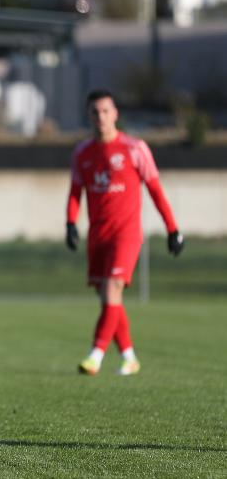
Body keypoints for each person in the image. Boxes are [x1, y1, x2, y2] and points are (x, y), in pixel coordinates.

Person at [67, 89, 183, 376]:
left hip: (126, 233)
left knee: (112, 289)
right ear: (89, 115)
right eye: (95, 112)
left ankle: (95, 356)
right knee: (108, 298)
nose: (101, 117)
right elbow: (75, 192)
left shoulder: (134, 148)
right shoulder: (82, 153)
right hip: (98, 236)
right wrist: (70, 223)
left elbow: (155, 190)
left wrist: (172, 229)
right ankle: (129, 357)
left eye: (106, 111)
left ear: (115, 114)